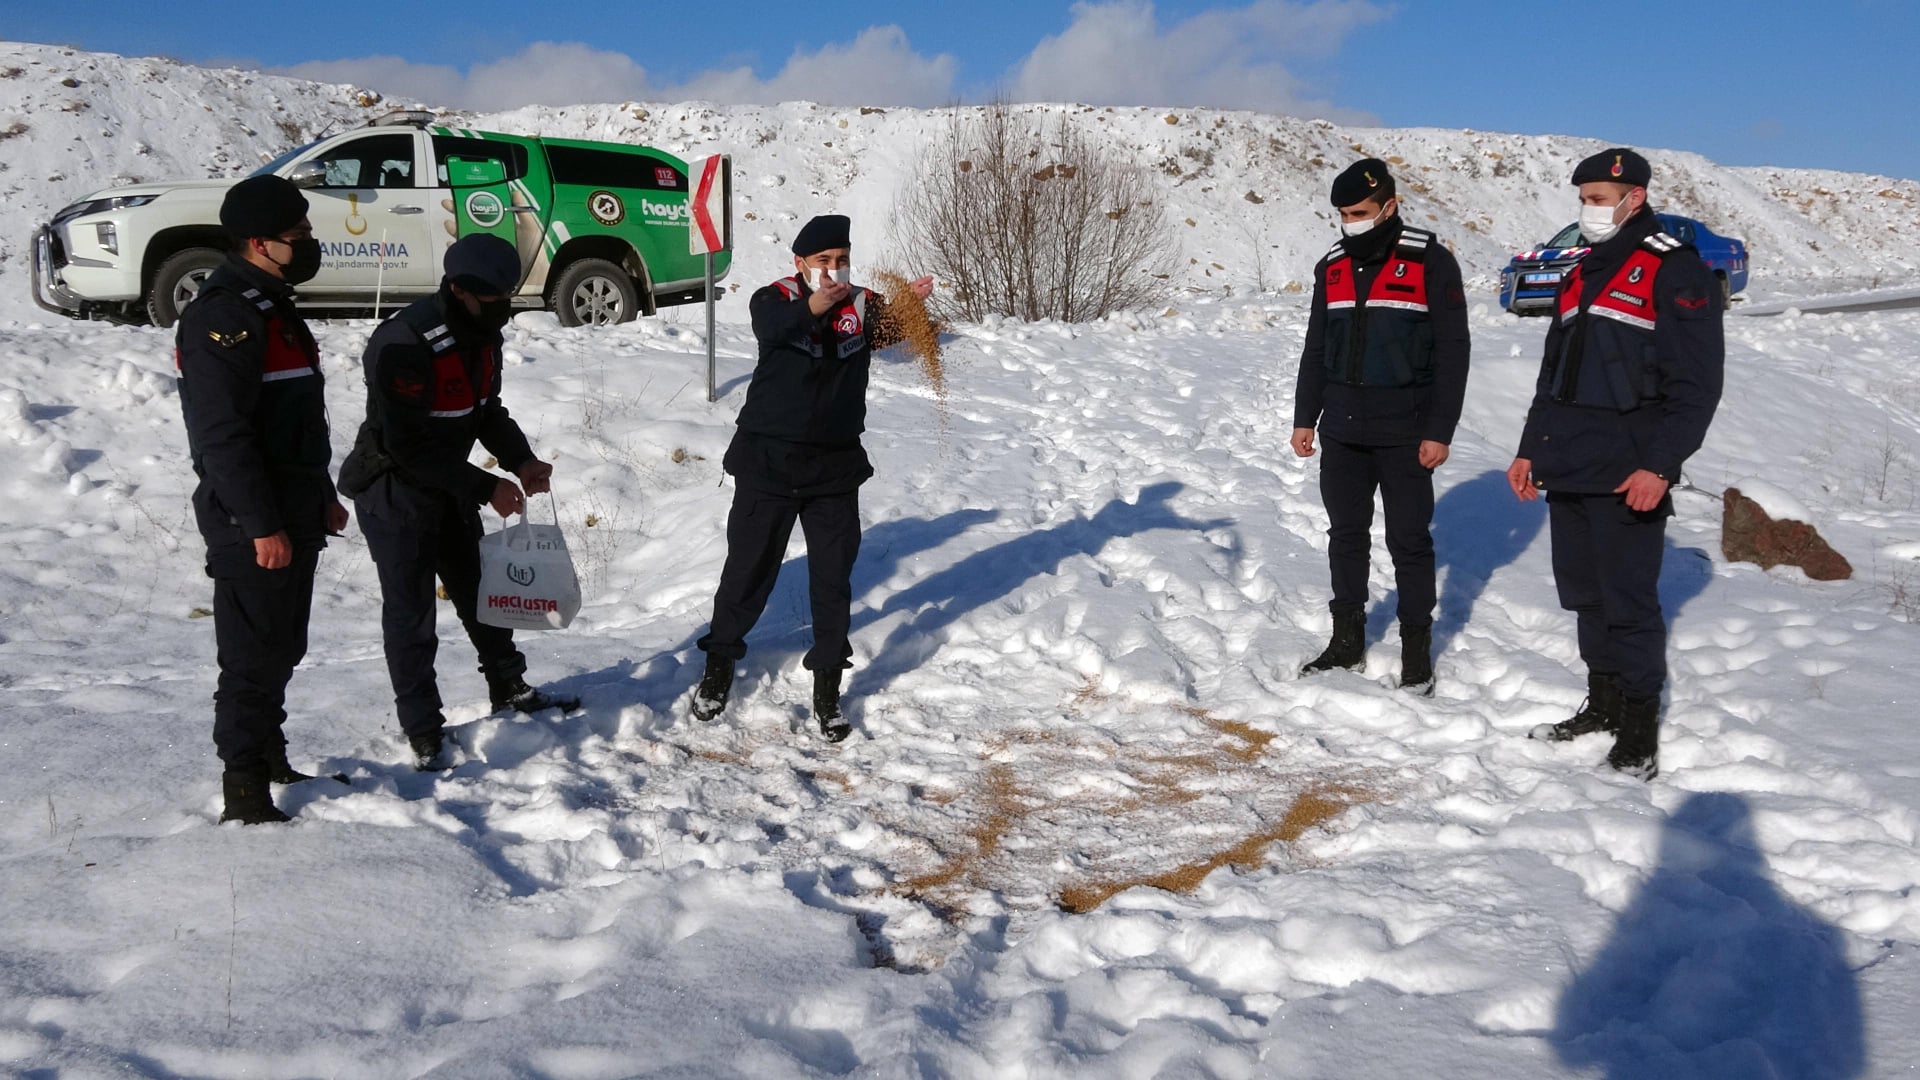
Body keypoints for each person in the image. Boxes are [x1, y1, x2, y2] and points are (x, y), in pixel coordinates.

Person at [1508, 148, 1724, 780]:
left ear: (1635, 197)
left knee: (1628, 604)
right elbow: (1553, 375)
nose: (1589, 210)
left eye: (1599, 199)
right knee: (1585, 596)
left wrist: (1661, 465)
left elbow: (1697, 386)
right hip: (1568, 460)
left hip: (1630, 471)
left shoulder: (1673, 268)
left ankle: (1638, 730)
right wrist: (1530, 447)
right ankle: (1601, 704)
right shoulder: (1580, 270)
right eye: (1584, 199)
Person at [337, 233, 578, 770]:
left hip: (447, 487)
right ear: (459, 290)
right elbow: (405, 445)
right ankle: (423, 729)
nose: (503, 307)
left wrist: (521, 461)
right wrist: (485, 487)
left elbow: (486, 410)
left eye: (507, 296)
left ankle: (509, 687)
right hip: (394, 492)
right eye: (493, 297)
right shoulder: (403, 342)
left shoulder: (483, 335)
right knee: (412, 615)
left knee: (481, 594)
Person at [691, 214, 933, 741]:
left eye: (841, 259)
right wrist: (815, 305)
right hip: (768, 464)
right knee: (746, 574)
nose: (833, 268)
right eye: (823, 260)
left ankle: (828, 688)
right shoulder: (773, 298)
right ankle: (719, 666)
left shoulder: (863, 303)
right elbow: (774, 329)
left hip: (834, 469)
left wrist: (910, 308)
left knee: (832, 582)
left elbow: (889, 335)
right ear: (800, 263)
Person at [176, 175, 350, 824]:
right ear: (258, 243)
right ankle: (244, 789)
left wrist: (323, 494)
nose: (308, 242)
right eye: (296, 234)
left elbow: (297, 423)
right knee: (250, 658)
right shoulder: (223, 317)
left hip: (294, 508)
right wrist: (259, 524)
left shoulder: (274, 307)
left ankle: (271, 756)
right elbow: (222, 437)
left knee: (283, 646)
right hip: (252, 519)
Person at [1291, 158, 1471, 692]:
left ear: (1389, 205)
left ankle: (1416, 652)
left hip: (1406, 431)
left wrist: (1440, 430)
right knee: (1345, 537)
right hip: (1343, 430)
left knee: (1408, 541)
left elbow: (1454, 352)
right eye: (1344, 215)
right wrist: (1305, 417)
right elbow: (1316, 347)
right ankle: (1346, 641)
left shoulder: (1430, 261)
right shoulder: (1332, 266)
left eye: (1360, 212)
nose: (1351, 222)